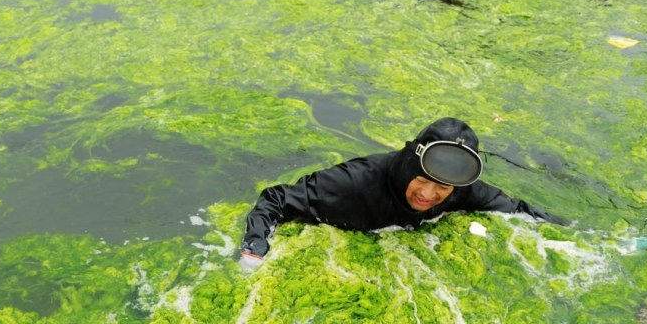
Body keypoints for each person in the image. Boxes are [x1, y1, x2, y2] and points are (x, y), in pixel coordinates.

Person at [240, 117, 565, 271]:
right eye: (422, 180)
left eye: (442, 187)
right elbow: (275, 199)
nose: (428, 194)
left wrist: (567, 234)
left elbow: (515, 209)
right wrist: (254, 249)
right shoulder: (353, 183)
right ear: (410, 165)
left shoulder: (460, 190)